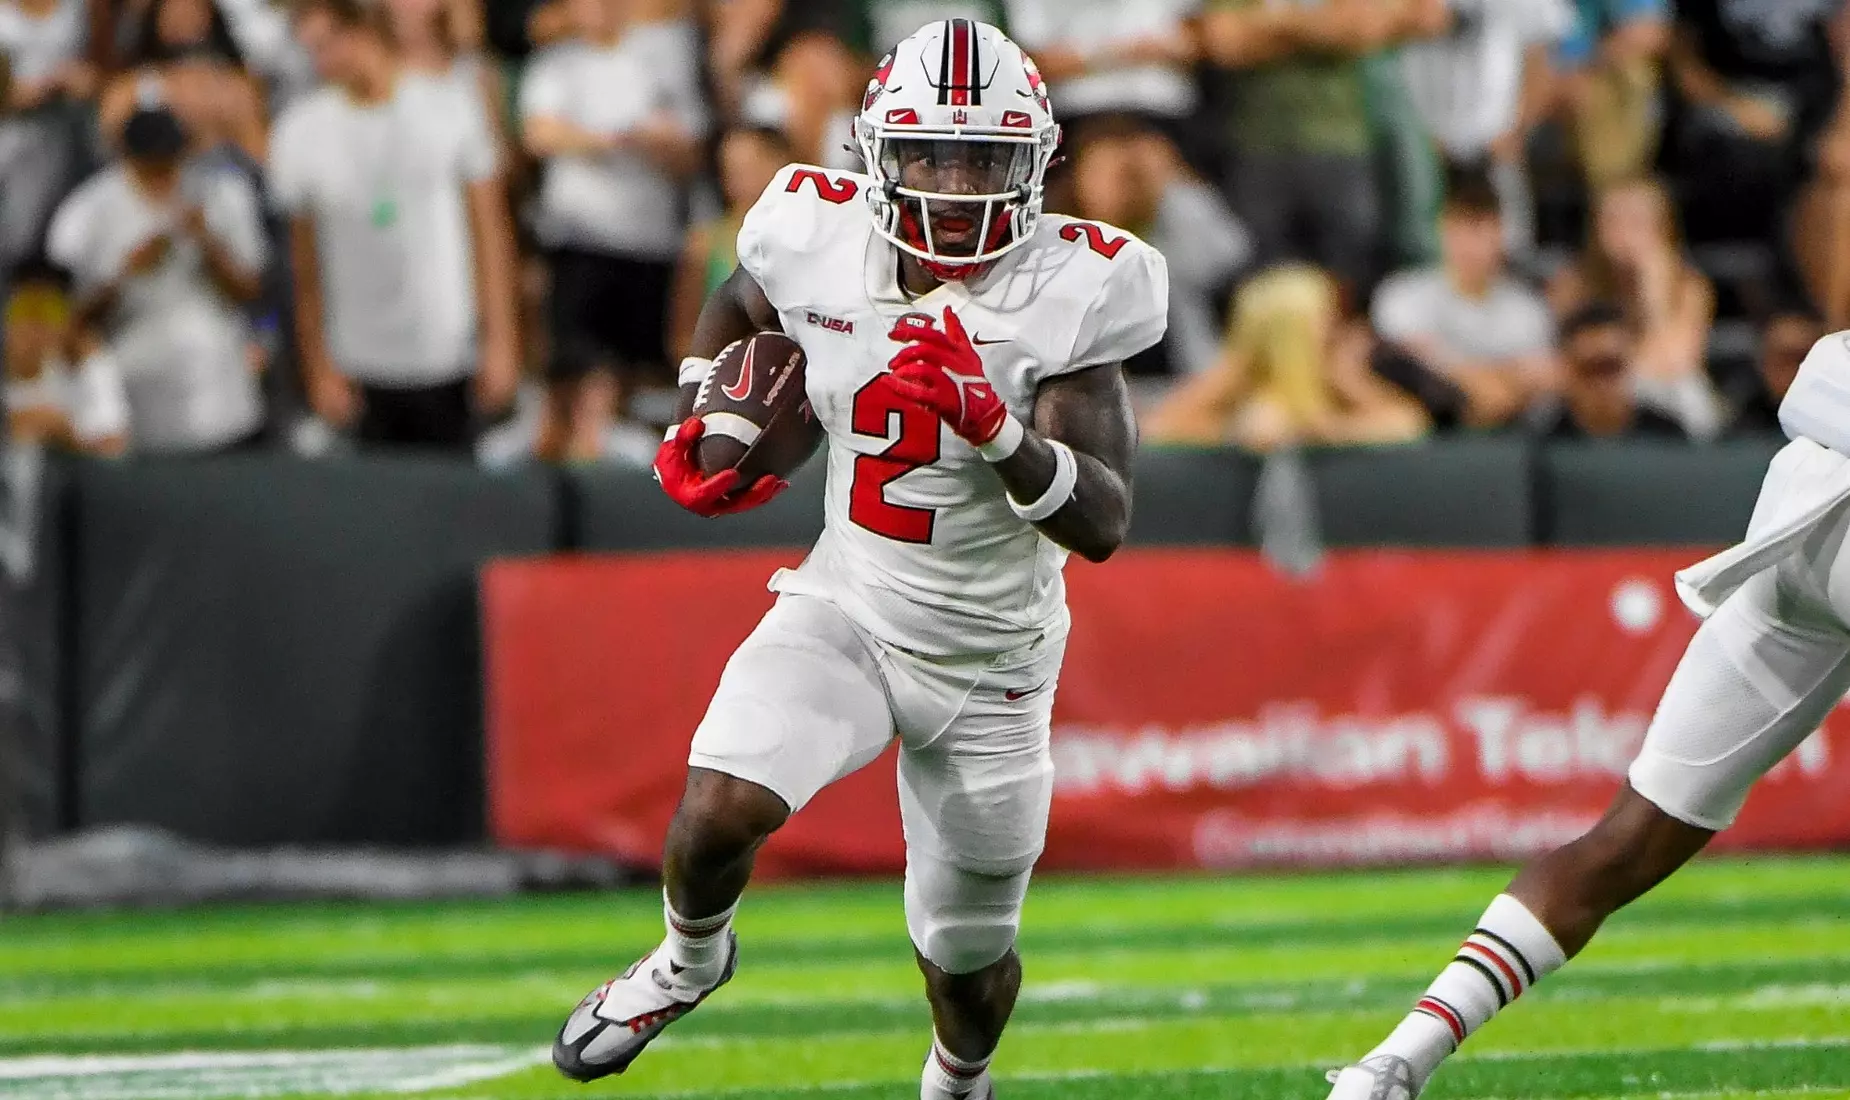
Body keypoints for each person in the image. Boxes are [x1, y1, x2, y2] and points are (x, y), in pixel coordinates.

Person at [551, 21, 1167, 1100]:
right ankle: (688, 962)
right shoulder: (811, 231)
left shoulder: (1075, 285)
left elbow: (1103, 519)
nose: (956, 187)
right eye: (932, 154)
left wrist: (996, 430)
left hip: (993, 663)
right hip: (851, 602)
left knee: (964, 961)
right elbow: (742, 300)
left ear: (1034, 164)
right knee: (717, 805)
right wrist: (703, 409)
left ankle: (958, 1080)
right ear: (878, 152)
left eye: (983, 160)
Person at [1324, 319, 1850, 1096]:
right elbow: (1815, 368)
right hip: (1818, 511)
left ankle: (1390, 1066)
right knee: (1626, 842)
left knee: (1623, 842)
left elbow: (1819, 363)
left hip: (1795, 520)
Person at [270, 0, 518, 452]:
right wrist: (319, 365)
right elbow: (305, 266)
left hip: (448, 350)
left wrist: (500, 342)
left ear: (363, 30)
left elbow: (490, 236)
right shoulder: (299, 131)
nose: (321, 62)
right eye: (310, 50)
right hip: (359, 359)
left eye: (327, 44)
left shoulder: (450, 106)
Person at [520, 0, 706, 462]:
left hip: (649, 241)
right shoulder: (558, 63)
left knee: (638, 373)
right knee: (579, 366)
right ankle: (575, 457)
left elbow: (689, 149)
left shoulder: (663, 60)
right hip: (579, 238)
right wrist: (614, 138)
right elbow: (538, 134)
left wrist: (655, 143)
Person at [47, 104, 266, 454]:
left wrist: (208, 244)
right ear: (125, 155)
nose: (163, 170)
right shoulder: (86, 213)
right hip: (131, 389)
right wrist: (123, 276)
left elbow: (251, 291)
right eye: (151, 161)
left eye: (170, 158)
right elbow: (63, 327)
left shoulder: (220, 194)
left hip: (220, 386)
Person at [1200, 0, 1446, 292]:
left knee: (1351, 281)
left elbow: (1360, 30)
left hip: (1339, 147)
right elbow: (1225, 45)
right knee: (1258, 283)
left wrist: (1270, 24)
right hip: (1257, 147)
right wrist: (1318, 28)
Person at [1144, 264, 1427, 449]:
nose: (1335, 333)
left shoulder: (1328, 395)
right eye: (1327, 321)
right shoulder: (1247, 401)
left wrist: (1339, 397)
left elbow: (1408, 424)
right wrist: (1230, 379)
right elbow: (1156, 429)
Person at [1369, 172, 1556, 429]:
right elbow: (1405, 366)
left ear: (1501, 235)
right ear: (1442, 230)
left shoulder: (1527, 308)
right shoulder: (1402, 293)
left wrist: (1485, 385)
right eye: (1460, 230)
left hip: (1513, 430)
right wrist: (1486, 382)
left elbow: (1540, 378)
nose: (1471, 246)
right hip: (1427, 429)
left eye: (1481, 232)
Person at [1549, 176, 1719, 439]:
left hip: (1649, 388)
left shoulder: (1688, 285)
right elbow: (1570, 359)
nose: (1624, 235)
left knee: (1690, 391)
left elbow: (1678, 361)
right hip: (1588, 391)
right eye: (1613, 222)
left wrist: (1654, 295)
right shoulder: (1573, 282)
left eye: (1637, 223)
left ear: (1663, 230)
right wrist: (1611, 367)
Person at [667, 124, 789, 362]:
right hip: (724, 368)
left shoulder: (806, 237)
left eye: (753, 168)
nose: (742, 181)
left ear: (783, 165)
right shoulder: (703, 243)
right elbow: (682, 338)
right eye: (732, 170)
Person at [2, 262, 127, 455]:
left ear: (67, 319)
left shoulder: (83, 360)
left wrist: (64, 432)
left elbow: (113, 446)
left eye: (49, 311)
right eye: (24, 309)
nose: (34, 324)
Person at [1527, 301, 1687, 440]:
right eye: (1590, 369)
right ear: (1567, 369)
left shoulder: (1667, 437)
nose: (1602, 383)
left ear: (1630, 364)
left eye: (1612, 367)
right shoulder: (1545, 441)